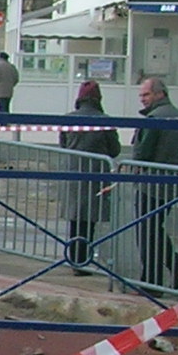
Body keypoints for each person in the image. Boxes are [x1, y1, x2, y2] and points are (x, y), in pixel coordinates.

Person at [131, 76, 178, 289]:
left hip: (150, 183)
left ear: (160, 94)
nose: (142, 99)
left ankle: (152, 282)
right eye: (141, 95)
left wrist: (135, 166)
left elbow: (143, 151)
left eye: (146, 94)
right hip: (170, 183)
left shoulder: (154, 118)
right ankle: (176, 267)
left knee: (147, 232)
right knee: (155, 230)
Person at [58, 80, 121, 272]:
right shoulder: (105, 120)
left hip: (73, 174)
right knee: (89, 222)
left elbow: (63, 144)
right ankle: (83, 261)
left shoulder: (68, 119)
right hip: (95, 174)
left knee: (74, 220)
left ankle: (74, 258)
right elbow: (115, 149)